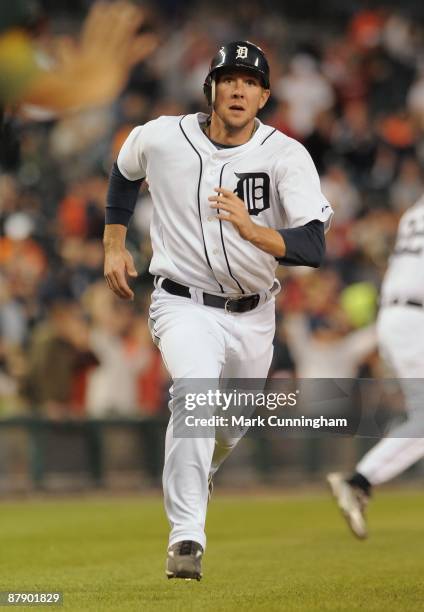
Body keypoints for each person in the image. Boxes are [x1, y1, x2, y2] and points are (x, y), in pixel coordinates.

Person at [103, 41, 333, 580]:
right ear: (210, 88)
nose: (237, 88)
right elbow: (123, 169)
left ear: (264, 96)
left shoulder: (285, 154)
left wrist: (254, 230)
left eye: (249, 82)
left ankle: (198, 467)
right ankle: (187, 537)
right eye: (228, 78)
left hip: (255, 315)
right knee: (195, 397)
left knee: (228, 429)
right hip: (182, 303)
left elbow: (315, 246)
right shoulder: (163, 135)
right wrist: (114, 242)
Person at [327, 194, 424, 540]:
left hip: (399, 314)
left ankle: (361, 480)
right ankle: (359, 480)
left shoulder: (415, 210)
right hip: (414, 318)